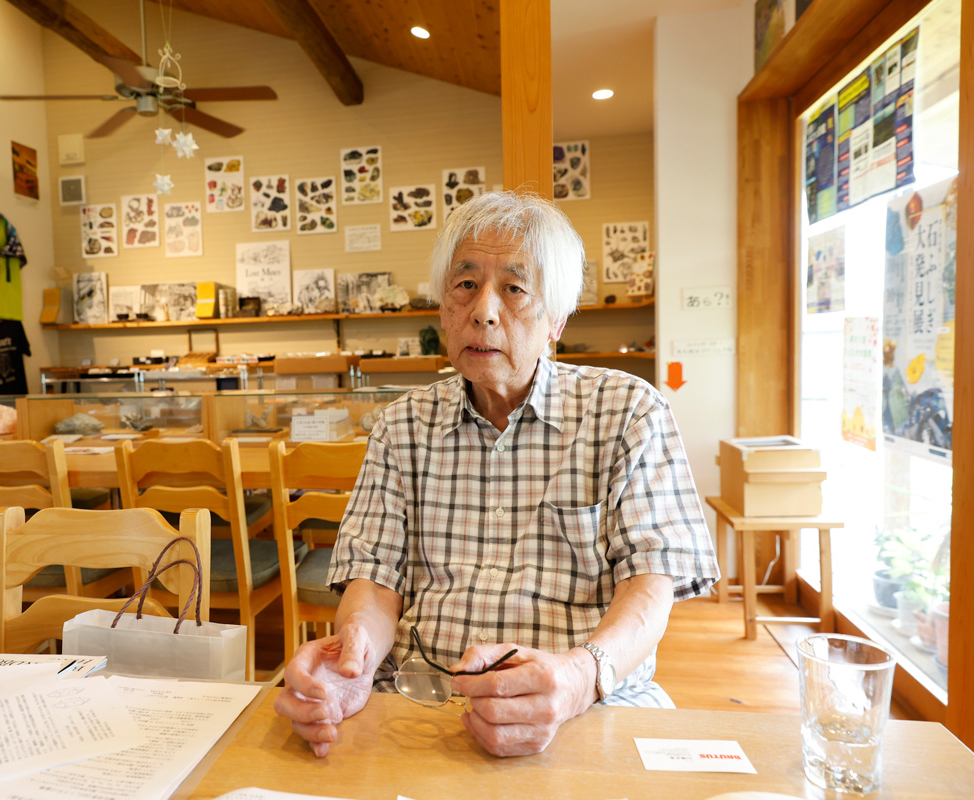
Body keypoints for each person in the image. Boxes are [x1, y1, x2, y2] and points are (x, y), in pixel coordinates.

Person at [273, 190, 719, 758]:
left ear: (555, 319)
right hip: (420, 700)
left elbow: (651, 584)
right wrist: (354, 653)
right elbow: (374, 579)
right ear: (443, 307)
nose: (483, 309)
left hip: (588, 703)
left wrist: (581, 676)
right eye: (465, 284)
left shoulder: (629, 412)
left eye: (514, 288)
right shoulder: (399, 426)